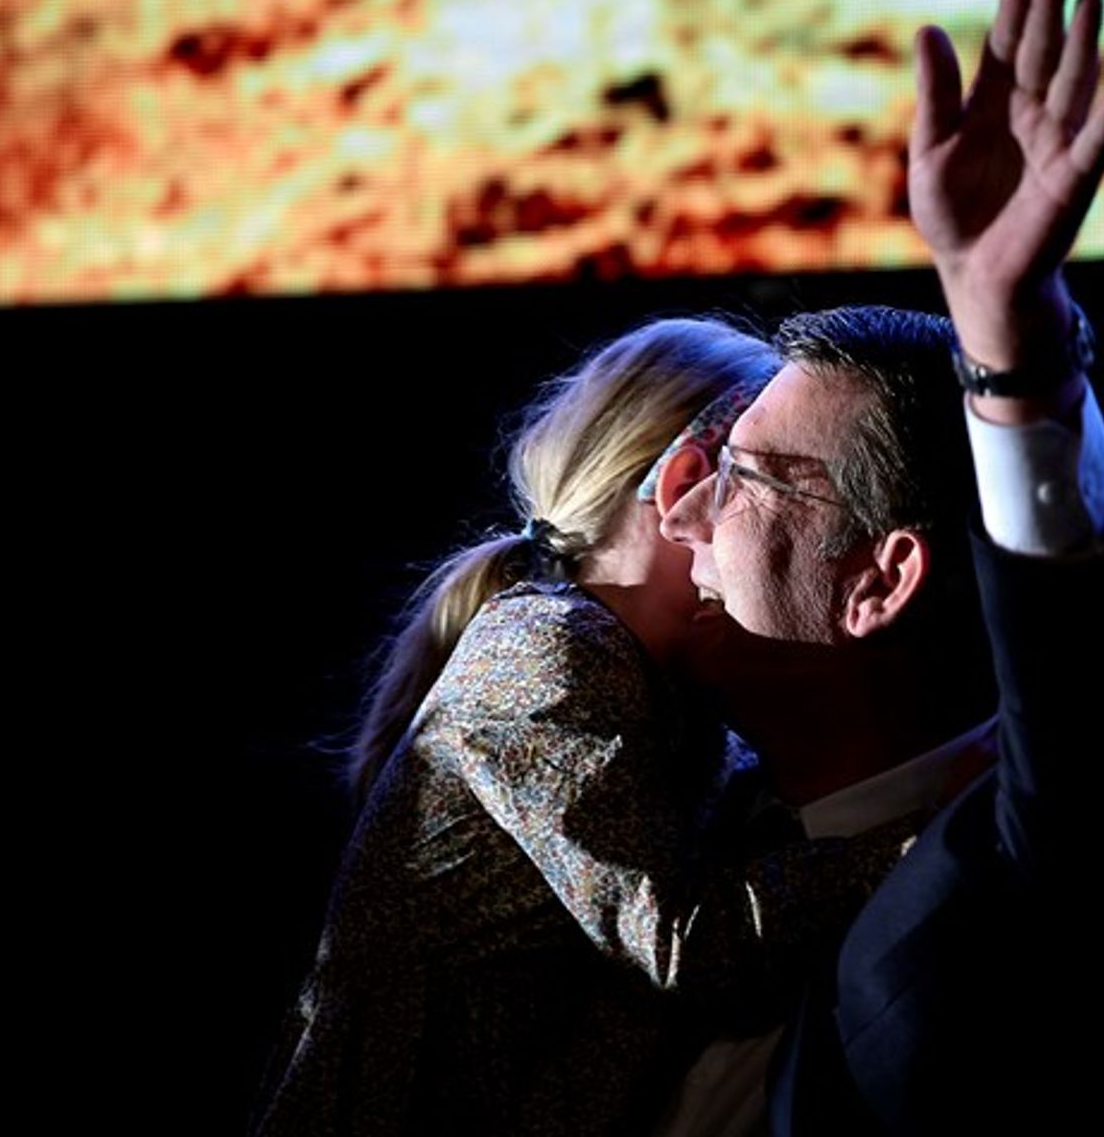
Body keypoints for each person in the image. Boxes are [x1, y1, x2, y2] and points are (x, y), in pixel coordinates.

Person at [652, 0, 1104, 1134]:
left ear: (878, 580)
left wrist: (1012, 331)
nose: (681, 509)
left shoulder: (1007, 878)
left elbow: (1090, 716)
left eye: (743, 478)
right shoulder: (678, 833)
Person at [255, 318, 934, 1137]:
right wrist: (928, 835)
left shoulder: (658, 691)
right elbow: (687, 943)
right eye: (749, 479)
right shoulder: (550, 649)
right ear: (686, 479)